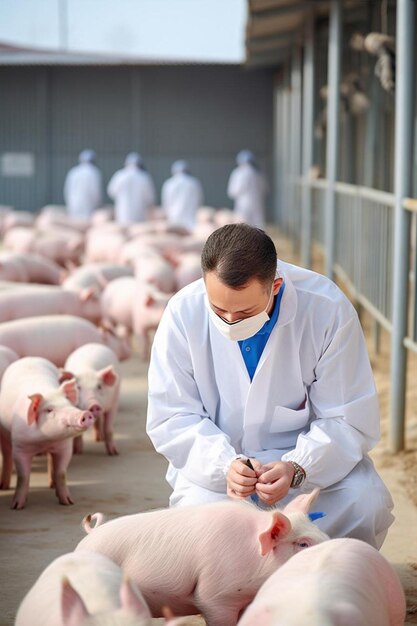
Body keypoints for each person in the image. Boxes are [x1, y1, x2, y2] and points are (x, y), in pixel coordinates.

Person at [147, 223, 394, 549]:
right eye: (218, 310)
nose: (230, 323)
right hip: (220, 469)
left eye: (245, 311)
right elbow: (172, 415)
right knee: (201, 527)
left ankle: (332, 581)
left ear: (275, 285)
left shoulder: (325, 309)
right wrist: (225, 466)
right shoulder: (183, 312)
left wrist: (298, 468)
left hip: (309, 469)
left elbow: (347, 417)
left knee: (364, 502)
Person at [107, 152, 156, 225]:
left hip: (123, 212)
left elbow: (111, 192)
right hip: (139, 214)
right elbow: (150, 197)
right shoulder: (144, 177)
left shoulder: (120, 176)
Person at [227, 150, 268, 229]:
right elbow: (265, 188)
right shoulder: (258, 173)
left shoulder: (239, 173)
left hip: (243, 202)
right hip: (257, 201)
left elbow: (234, 191)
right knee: (258, 223)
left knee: (243, 224)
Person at [161, 160, 203, 232]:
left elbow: (166, 203)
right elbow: (199, 200)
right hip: (190, 219)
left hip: (173, 218)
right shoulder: (193, 182)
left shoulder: (169, 183)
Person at [63, 149, 102, 219]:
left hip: (73, 203)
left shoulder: (73, 171)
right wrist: (98, 204)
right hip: (88, 205)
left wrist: (69, 203)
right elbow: (95, 191)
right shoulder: (93, 172)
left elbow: (67, 190)